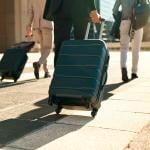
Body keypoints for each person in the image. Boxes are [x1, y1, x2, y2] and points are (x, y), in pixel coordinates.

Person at [43, 0, 101, 66]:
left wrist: (93, 9)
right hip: (79, 8)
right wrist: (93, 9)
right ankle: (75, 70)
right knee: (79, 43)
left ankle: (60, 71)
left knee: (61, 44)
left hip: (63, 7)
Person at [113, 0, 143, 82]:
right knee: (136, 49)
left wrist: (119, 19)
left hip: (124, 21)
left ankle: (123, 68)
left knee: (124, 48)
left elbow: (114, 10)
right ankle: (134, 72)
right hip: (138, 23)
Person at [26, 0, 53, 79]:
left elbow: (30, 13)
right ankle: (38, 63)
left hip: (37, 26)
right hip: (47, 24)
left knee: (43, 48)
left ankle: (46, 71)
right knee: (48, 48)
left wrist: (28, 27)